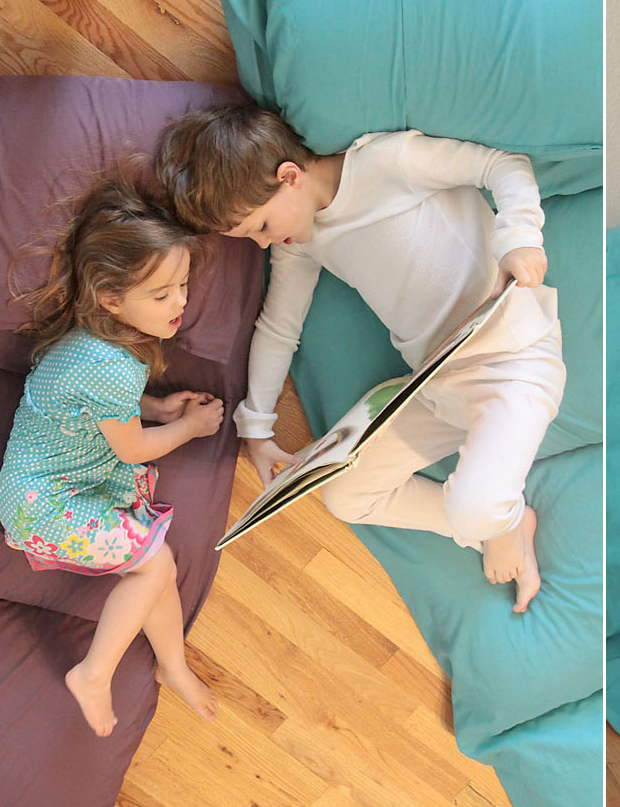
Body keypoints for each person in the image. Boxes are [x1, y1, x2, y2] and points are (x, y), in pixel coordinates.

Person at [155, 106, 565, 613]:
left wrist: (519, 239)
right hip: (434, 389)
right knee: (344, 497)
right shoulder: (300, 244)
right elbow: (279, 327)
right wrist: (256, 428)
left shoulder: (387, 162)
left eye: (260, 226)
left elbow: (502, 165)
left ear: (290, 177)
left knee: (478, 507)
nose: (263, 243)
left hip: (516, 359)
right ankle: (486, 527)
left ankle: (498, 523)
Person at [0, 169, 223, 738]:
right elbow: (133, 446)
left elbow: (110, 408)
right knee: (155, 563)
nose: (181, 303)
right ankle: (94, 674)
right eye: (163, 294)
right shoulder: (111, 363)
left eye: (183, 285)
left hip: (62, 480)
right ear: (112, 298)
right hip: (42, 503)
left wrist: (162, 406)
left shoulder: (99, 343)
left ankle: (171, 666)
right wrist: (190, 428)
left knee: (155, 563)